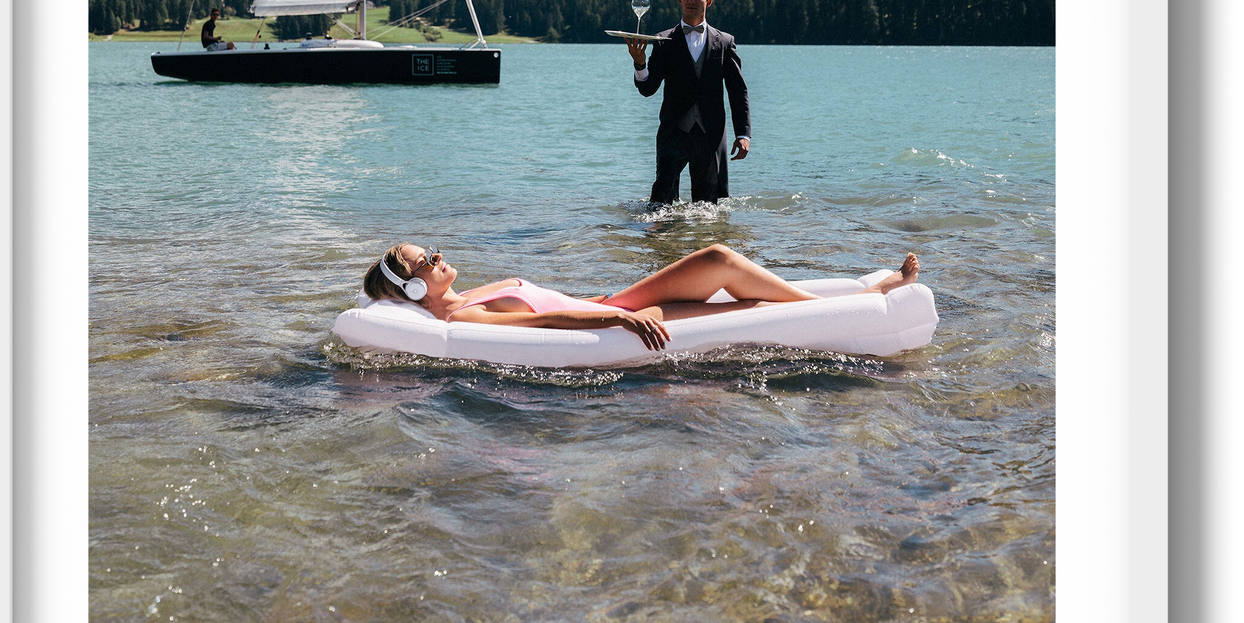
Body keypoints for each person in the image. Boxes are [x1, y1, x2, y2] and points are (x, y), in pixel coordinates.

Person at [361, 241, 921, 351]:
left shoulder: (468, 293)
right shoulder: (466, 318)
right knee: (725, 271)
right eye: (423, 261)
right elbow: (544, 323)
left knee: (724, 269)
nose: (436, 255)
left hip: (614, 300)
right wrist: (621, 323)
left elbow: (552, 299)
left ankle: (862, 291)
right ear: (412, 287)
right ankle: (868, 296)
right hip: (617, 316)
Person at [627, 0, 750, 205]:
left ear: (708, 1)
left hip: (710, 135)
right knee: (660, 205)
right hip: (673, 133)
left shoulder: (724, 41)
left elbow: (737, 91)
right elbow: (648, 89)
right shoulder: (663, 41)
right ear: (679, 0)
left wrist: (743, 134)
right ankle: (663, 241)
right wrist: (640, 63)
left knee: (708, 208)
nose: (691, 0)